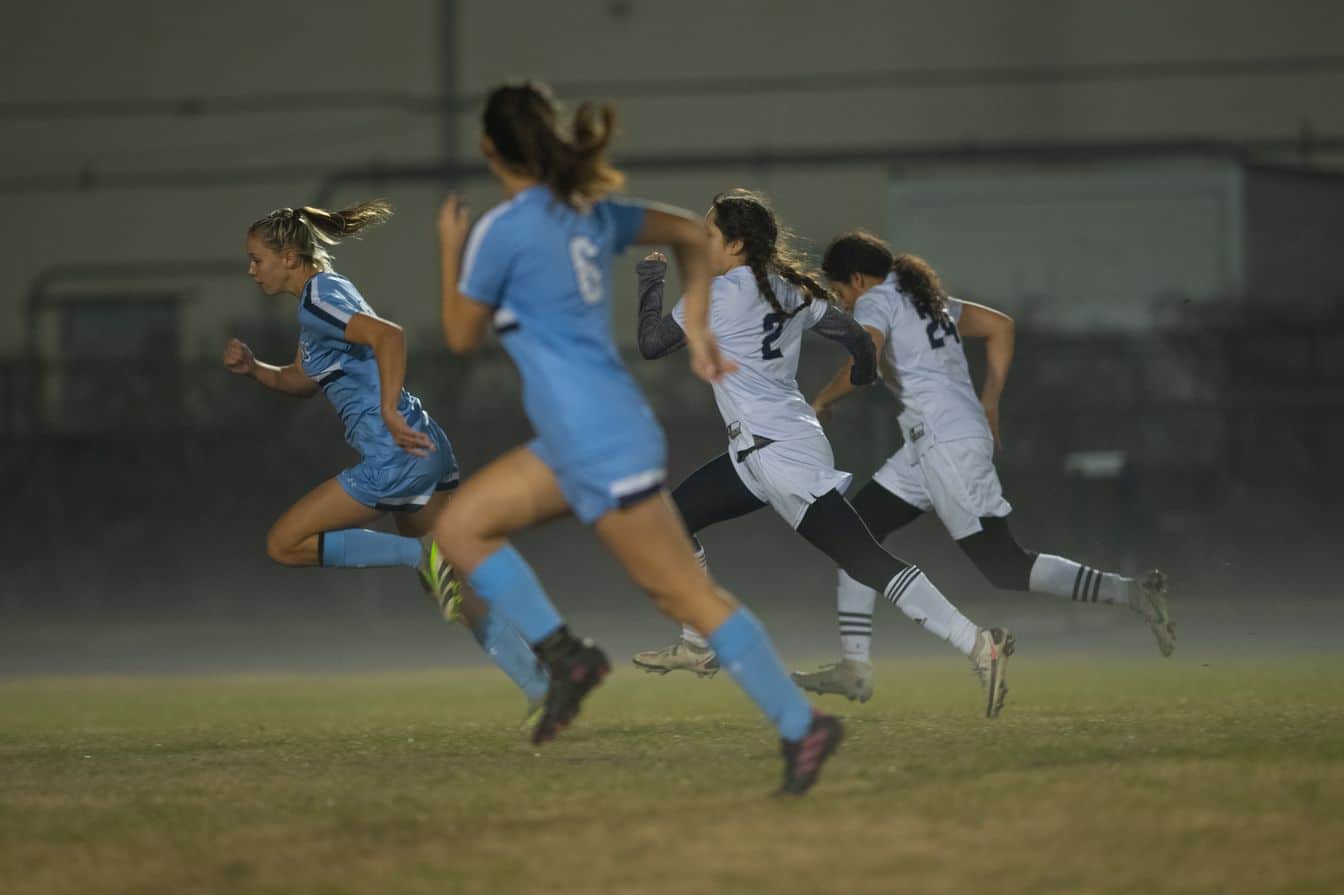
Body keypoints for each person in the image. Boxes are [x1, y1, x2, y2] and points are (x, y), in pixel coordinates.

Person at [428, 82, 840, 795]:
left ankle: (801, 725)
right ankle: (569, 656)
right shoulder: (590, 213)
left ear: (490, 148)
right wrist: (703, 328)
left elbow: (461, 336)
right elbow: (687, 232)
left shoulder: (502, 229)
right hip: (589, 432)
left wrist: (450, 250)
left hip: (595, 439)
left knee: (683, 594)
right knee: (462, 526)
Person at [628, 190, 1013, 719]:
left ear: (737, 244)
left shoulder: (716, 295)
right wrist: (866, 371)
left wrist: (649, 283)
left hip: (781, 459)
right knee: (670, 521)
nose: (703, 240)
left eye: (711, 233)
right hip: (762, 451)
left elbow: (651, 343)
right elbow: (854, 336)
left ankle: (978, 643)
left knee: (866, 559)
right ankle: (697, 642)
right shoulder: (790, 290)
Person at [791, 230, 1175, 702]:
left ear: (857, 278)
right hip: (933, 440)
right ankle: (855, 667)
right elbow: (1000, 326)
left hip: (944, 442)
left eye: (842, 292)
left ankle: (1130, 594)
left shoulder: (877, 300)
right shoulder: (926, 301)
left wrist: (821, 402)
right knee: (856, 535)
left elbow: (863, 362)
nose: (846, 304)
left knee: (1004, 566)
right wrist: (988, 402)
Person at [226, 200, 548, 712]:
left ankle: (419, 556)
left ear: (288, 256)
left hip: (394, 454)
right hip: (424, 448)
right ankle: (540, 683)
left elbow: (388, 336)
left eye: (256, 258)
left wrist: (389, 412)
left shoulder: (318, 301)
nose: (250, 269)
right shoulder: (326, 296)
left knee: (285, 544)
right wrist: (253, 369)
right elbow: (302, 381)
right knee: (450, 590)